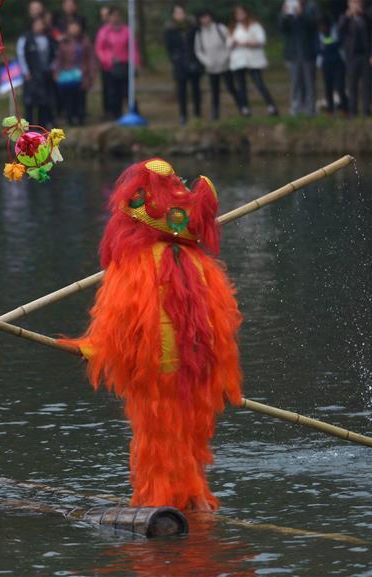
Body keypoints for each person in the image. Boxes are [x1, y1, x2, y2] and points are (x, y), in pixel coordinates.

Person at [59, 158, 242, 512]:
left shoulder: (135, 263)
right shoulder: (200, 263)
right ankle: (195, 503)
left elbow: (120, 322)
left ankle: (164, 503)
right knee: (189, 435)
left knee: (158, 437)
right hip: (197, 368)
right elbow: (220, 325)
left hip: (157, 370)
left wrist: (95, 349)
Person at [230, 5, 279, 117]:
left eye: (241, 13)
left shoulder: (255, 26)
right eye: (237, 14)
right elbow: (228, 43)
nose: (239, 15)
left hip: (254, 60)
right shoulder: (233, 28)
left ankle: (271, 106)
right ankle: (245, 109)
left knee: (259, 84)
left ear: (246, 13)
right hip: (239, 61)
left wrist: (250, 43)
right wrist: (233, 43)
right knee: (241, 86)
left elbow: (261, 40)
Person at [195, 10, 244, 120]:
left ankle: (242, 108)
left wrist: (225, 57)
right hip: (211, 67)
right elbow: (198, 50)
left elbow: (229, 43)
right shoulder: (199, 33)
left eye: (206, 17)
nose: (205, 20)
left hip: (225, 65)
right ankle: (215, 113)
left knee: (231, 88)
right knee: (214, 91)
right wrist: (207, 62)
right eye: (202, 18)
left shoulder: (220, 28)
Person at [96, 7, 139, 119]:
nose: (115, 18)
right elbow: (100, 48)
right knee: (113, 92)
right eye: (113, 15)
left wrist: (135, 63)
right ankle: (116, 114)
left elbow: (133, 48)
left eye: (117, 15)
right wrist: (107, 60)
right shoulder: (104, 32)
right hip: (109, 66)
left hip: (124, 65)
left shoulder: (126, 30)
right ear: (109, 17)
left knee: (127, 91)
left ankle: (134, 112)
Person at [280, 0, 319, 115]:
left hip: (308, 52)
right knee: (295, 83)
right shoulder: (288, 7)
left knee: (310, 83)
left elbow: (314, 26)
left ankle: (310, 110)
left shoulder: (312, 7)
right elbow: (282, 29)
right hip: (292, 53)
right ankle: (296, 109)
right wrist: (285, 16)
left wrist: (302, 15)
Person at [17, 16, 57, 127]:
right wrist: (26, 72)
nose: (40, 26)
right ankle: (28, 127)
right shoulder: (25, 38)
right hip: (31, 75)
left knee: (43, 102)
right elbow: (21, 56)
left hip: (45, 75)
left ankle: (42, 125)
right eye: (37, 24)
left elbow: (54, 54)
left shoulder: (48, 38)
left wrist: (52, 68)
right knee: (29, 102)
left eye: (41, 24)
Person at [165, 5, 202, 124]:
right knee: (182, 91)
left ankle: (197, 114)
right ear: (174, 15)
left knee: (196, 89)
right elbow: (169, 48)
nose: (180, 15)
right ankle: (183, 116)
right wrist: (174, 59)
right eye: (177, 13)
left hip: (193, 61)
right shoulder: (170, 29)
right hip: (179, 64)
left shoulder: (193, 27)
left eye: (181, 12)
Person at [55, 19, 95, 125]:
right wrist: (57, 72)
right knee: (68, 99)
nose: (74, 29)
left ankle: (81, 118)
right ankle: (70, 119)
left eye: (76, 26)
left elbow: (90, 58)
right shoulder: (63, 41)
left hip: (83, 74)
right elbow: (59, 59)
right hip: (67, 74)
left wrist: (91, 73)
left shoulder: (85, 41)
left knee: (81, 97)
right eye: (72, 26)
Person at [339, 0, 372, 116]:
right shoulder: (345, 18)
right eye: (353, 3)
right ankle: (352, 110)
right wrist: (347, 17)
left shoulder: (366, 17)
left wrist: (362, 14)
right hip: (352, 56)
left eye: (357, 3)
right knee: (352, 84)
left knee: (366, 84)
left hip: (365, 54)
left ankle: (366, 109)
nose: (355, 5)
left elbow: (371, 26)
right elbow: (340, 30)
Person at [318, 16, 349, 115]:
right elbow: (319, 49)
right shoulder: (318, 35)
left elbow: (337, 44)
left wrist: (327, 45)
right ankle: (330, 110)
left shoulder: (336, 32)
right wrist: (329, 44)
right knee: (328, 88)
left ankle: (345, 109)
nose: (322, 28)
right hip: (326, 65)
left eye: (324, 26)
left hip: (338, 64)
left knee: (340, 87)